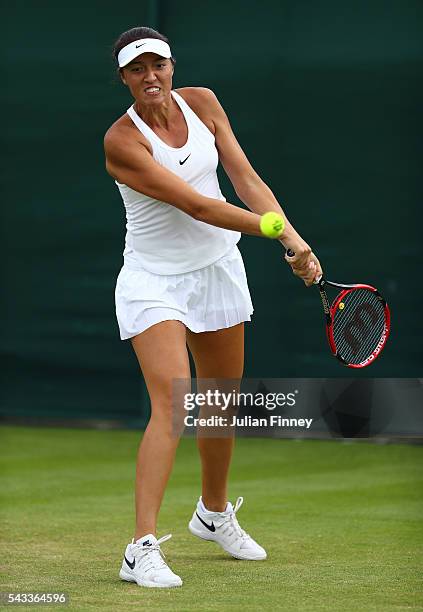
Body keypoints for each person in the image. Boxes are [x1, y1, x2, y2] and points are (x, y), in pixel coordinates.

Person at [104, 26, 322, 589]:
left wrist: (295, 239)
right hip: (154, 281)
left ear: (172, 67)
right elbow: (197, 204)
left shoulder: (202, 103)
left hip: (217, 271)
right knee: (173, 402)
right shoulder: (121, 143)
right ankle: (140, 550)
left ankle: (214, 513)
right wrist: (274, 232)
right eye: (137, 69)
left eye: (158, 65)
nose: (150, 76)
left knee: (220, 403)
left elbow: (244, 177)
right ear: (124, 78)